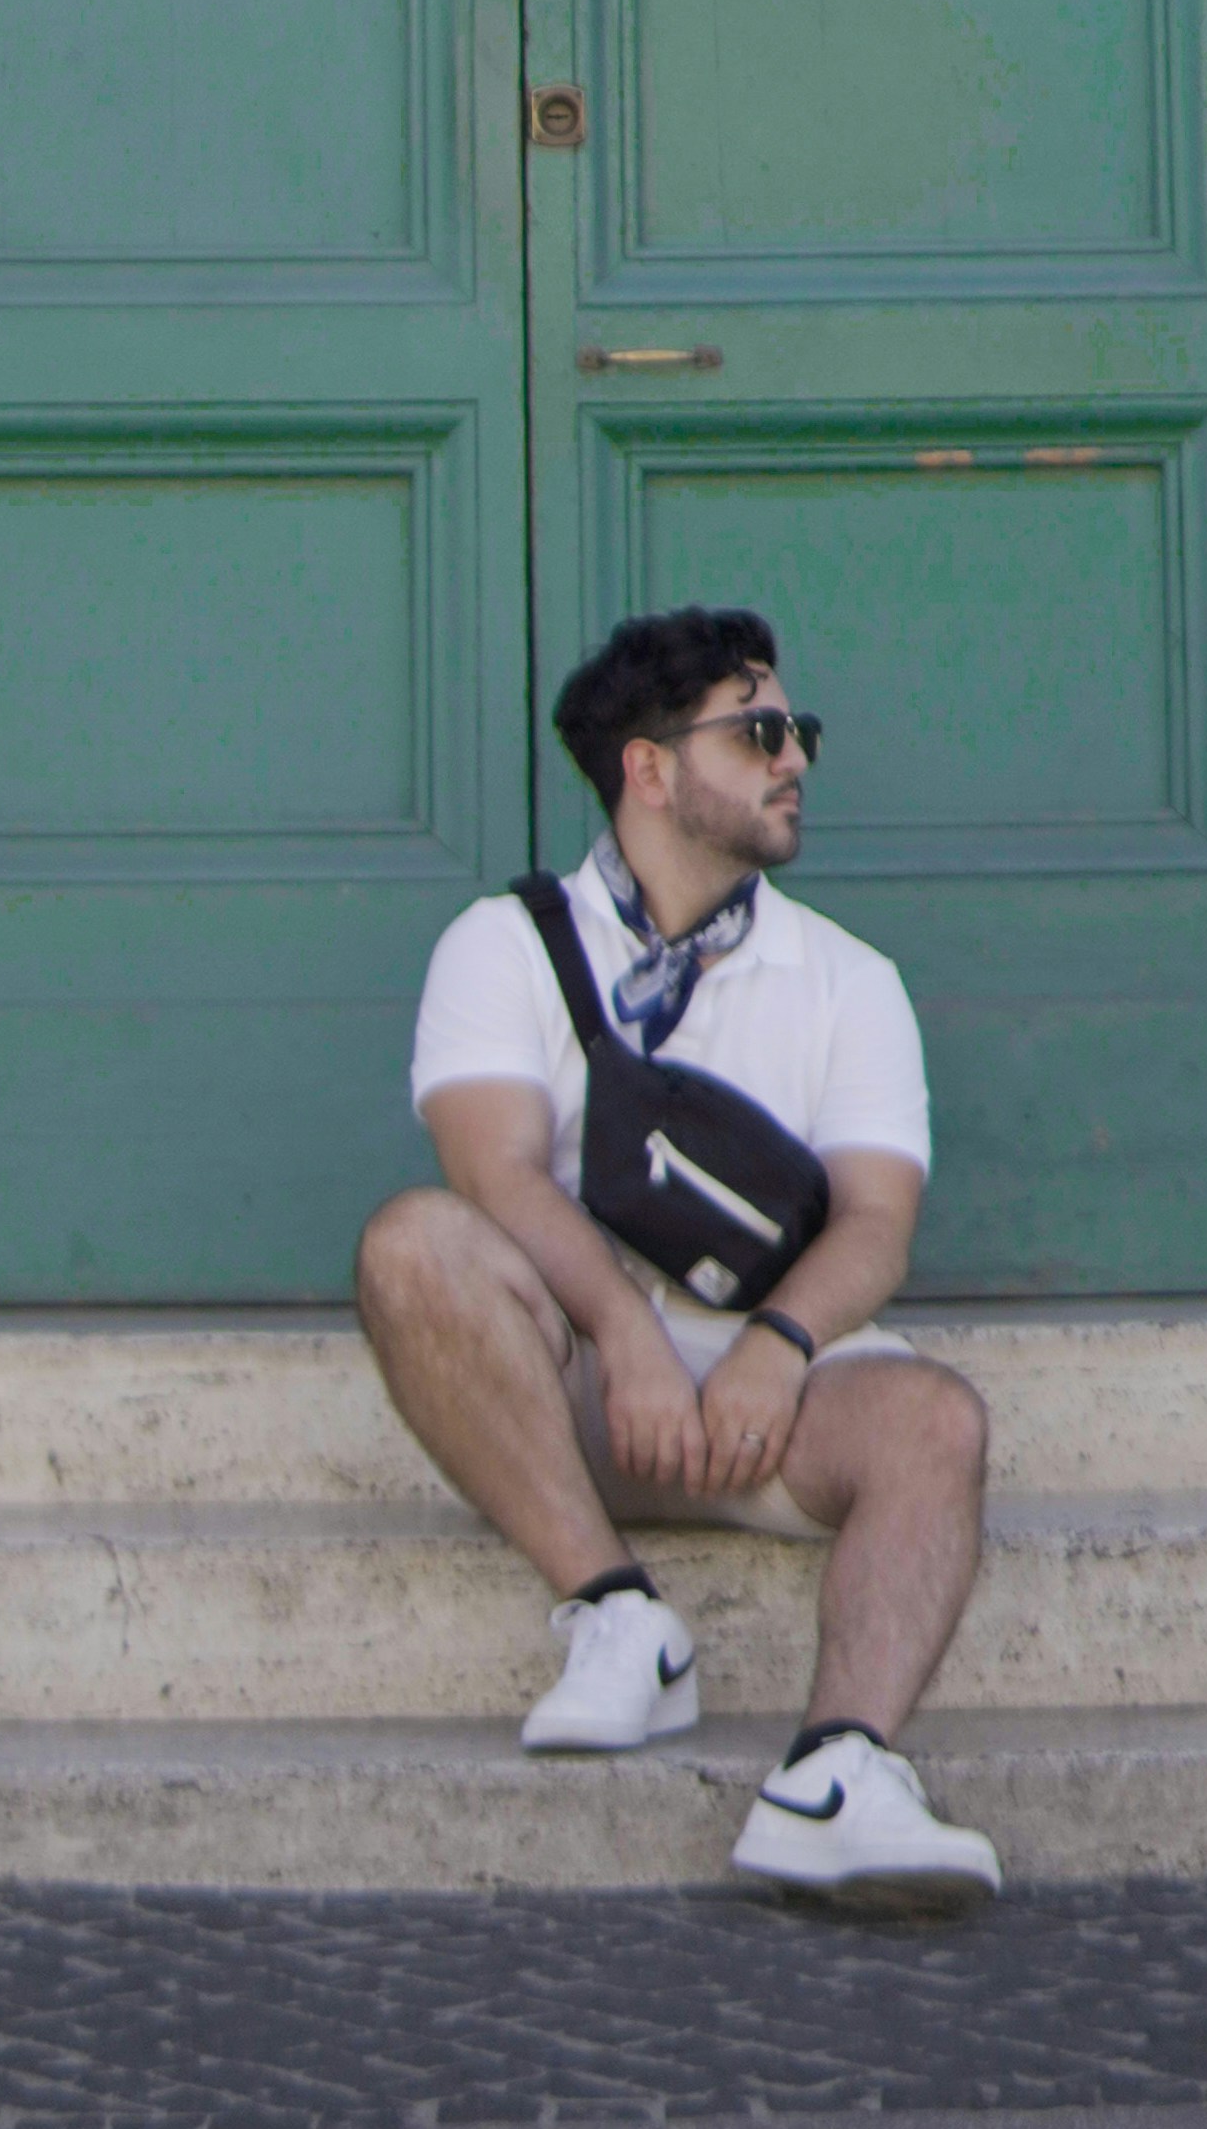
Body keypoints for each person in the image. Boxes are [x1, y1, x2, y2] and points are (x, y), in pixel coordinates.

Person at [355, 604, 1001, 1911]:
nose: (794, 758)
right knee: (412, 1243)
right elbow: (492, 1168)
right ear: (647, 766)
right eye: (757, 729)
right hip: (573, 1387)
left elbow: (875, 1220)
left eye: (795, 730)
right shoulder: (504, 941)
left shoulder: (846, 978)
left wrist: (776, 1345)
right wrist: (626, 1332)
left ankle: (836, 1773)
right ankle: (617, 1613)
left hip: (773, 1394)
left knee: (934, 1420)